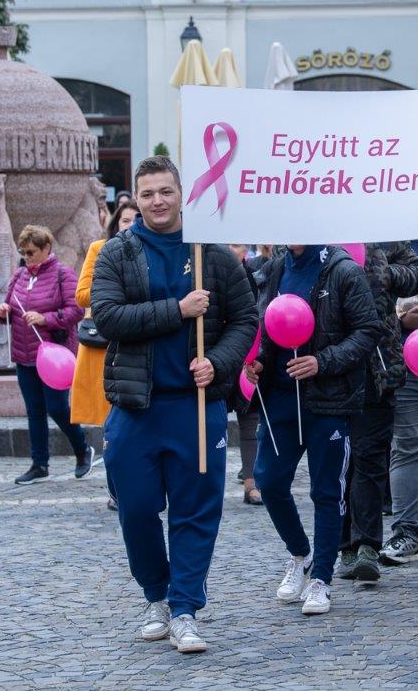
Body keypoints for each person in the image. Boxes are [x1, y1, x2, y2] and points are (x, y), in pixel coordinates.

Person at [92, 155, 257, 653]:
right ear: (135, 199)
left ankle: (185, 607)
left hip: (196, 405)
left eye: (165, 191)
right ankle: (156, 595)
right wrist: (178, 310)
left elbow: (246, 319)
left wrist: (220, 362)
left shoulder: (211, 254)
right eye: (147, 194)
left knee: (195, 510)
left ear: (181, 193)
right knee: (137, 510)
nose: (157, 201)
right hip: (135, 406)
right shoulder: (117, 252)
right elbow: (108, 316)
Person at [246, 243, 379, 618]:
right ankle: (299, 554)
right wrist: (256, 363)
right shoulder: (271, 270)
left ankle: (321, 576)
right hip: (279, 399)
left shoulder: (343, 270)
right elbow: (269, 330)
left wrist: (322, 362)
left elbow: (367, 331)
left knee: (327, 491)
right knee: (269, 482)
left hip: (329, 400)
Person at [337, 242, 418, 584]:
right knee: (340, 461)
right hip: (331, 368)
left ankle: (367, 546)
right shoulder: (319, 232)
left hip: (378, 367)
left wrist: (386, 273)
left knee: (371, 457)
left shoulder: (382, 232)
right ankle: (343, 543)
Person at [0, 225, 91, 485]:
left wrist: (45, 319)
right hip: (24, 354)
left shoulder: (63, 274)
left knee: (58, 408)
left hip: (54, 356)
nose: (27, 258)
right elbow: (11, 306)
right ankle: (39, 464)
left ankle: (82, 449)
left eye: (31, 252)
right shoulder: (19, 275)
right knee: (34, 411)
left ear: (46, 249)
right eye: (23, 253)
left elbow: (76, 311)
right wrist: (3, 312)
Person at [72, 201, 138, 433]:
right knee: (108, 422)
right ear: (116, 224)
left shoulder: (151, 251)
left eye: (136, 220)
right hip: (103, 342)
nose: (130, 225)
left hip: (139, 338)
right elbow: (81, 296)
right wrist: (115, 290)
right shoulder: (99, 248)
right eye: (125, 220)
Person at [381, 293, 418, 563]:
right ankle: (406, 532)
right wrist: (401, 318)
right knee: (407, 448)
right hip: (406, 364)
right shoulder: (387, 253)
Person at [225, 241, 263, 505]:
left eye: (235, 244)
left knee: (249, 419)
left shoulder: (253, 276)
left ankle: (252, 482)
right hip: (215, 355)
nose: (230, 248)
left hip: (247, 352)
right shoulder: (209, 271)